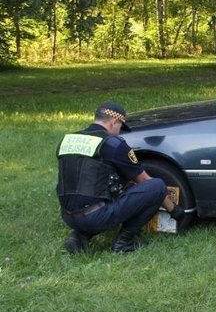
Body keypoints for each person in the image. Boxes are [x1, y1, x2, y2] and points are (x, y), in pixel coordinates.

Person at [56, 101, 187, 253]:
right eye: (120, 127)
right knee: (156, 186)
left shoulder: (67, 140)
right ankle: (123, 243)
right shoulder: (112, 144)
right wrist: (174, 209)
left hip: (67, 215)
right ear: (114, 122)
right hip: (95, 217)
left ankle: (79, 236)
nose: (119, 132)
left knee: (100, 192)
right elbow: (145, 180)